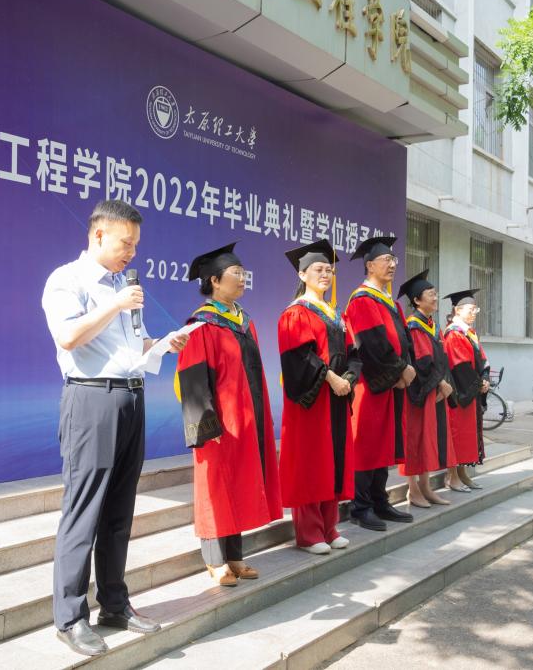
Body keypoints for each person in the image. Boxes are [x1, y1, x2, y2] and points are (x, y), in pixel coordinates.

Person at [42, 199, 188, 657]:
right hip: (91, 400)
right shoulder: (67, 280)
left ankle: (114, 604)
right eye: (126, 243)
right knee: (83, 510)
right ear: (99, 234)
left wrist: (162, 344)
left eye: (136, 245)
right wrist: (115, 304)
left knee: (119, 510)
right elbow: (69, 336)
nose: (132, 253)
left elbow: (132, 347)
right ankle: (70, 617)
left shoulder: (125, 286)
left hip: (130, 398)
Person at [174, 242, 283, 586]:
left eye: (243, 273)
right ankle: (214, 559)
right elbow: (192, 380)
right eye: (236, 273)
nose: (243, 278)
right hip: (219, 422)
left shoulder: (244, 322)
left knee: (237, 483)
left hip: (246, 421)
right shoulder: (201, 325)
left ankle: (235, 556)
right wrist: (207, 426)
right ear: (215, 281)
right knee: (216, 486)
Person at [277, 239, 361, 554]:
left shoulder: (336, 315)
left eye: (329, 270)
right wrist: (331, 378)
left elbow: (354, 354)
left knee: (333, 460)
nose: (325, 274)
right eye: (318, 270)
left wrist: (348, 379)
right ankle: (309, 532)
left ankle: (329, 527)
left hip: (337, 397)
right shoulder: (295, 313)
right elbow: (300, 357)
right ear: (302, 275)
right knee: (312, 461)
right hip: (311, 400)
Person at [344, 236, 416, 531]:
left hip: (389, 384)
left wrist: (407, 369)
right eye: (386, 260)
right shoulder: (362, 300)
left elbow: (405, 341)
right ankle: (360, 506)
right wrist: (399, 372)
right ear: (369, 265)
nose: (392, 264)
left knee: (384, 443)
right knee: (367, 444)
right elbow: (370, 344)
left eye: (393, 260)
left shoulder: (391, 303)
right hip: (370, 384)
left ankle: (379, 500)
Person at [395, 269, 455, 508]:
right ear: (417, 300)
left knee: (427, 438)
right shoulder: (414, 326)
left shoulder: (432, 325)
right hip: (416, 392)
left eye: (435, 293)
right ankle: (412, 489)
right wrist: (440, 382)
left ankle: (426, 487)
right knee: (414, 439)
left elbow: (440, 358)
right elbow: (421, 360)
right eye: (431, 294)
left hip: (431, 390)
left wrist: (443, 382)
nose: (435, 297)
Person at [442, 289, 490, 492]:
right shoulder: (454, 333)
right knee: (457, 435)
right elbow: (460, 366)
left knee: (466, 435)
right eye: (471, 309)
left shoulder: (470, 332)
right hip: (459, 393)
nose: (474, 313)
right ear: (458, 310)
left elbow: (483, 360)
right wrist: (478, 384)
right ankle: (451, 476)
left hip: (470, 392)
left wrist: (485, 379)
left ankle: (462, 474)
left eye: (475, 309)